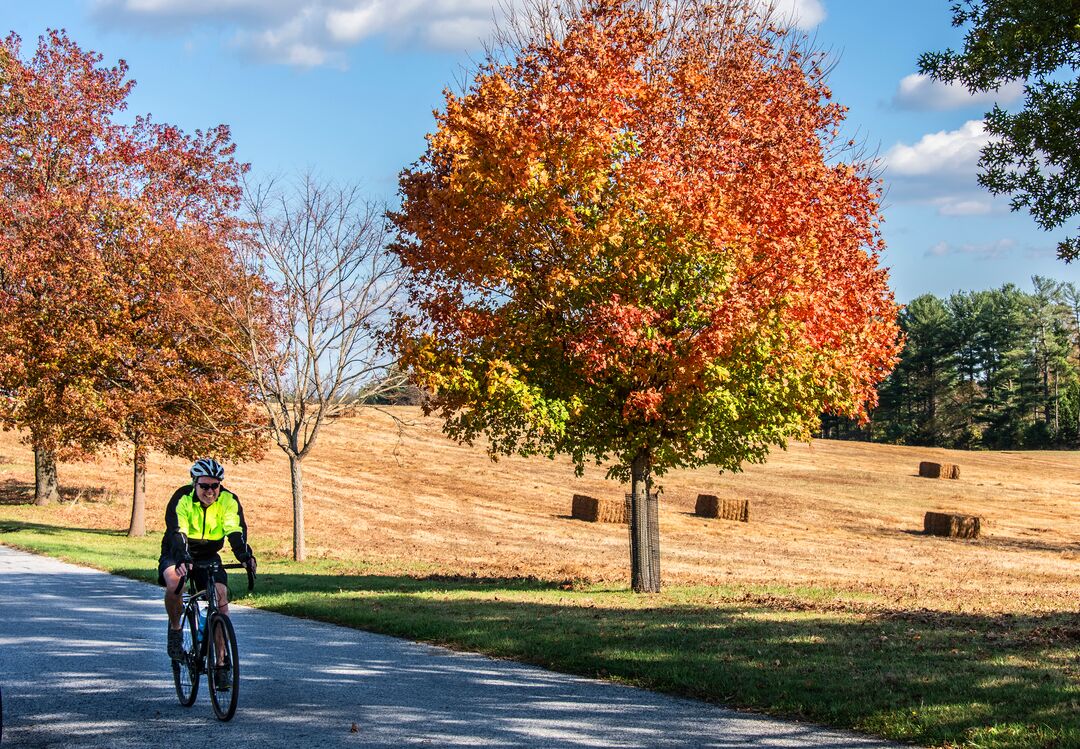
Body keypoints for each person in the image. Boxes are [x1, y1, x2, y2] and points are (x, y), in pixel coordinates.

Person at [158, 458, 256, 683]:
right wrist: (183, 558)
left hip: (209, 554)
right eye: (204, 486)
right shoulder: (182, 498)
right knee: (175, 582)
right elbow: (177, 530)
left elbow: (235, 529)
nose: (210, 491)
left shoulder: (229, 501)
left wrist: (244, 556)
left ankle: (221, 663)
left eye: (215, 486)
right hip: (177, 551)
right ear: (195, 484)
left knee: (221, 603)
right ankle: (175, 630)